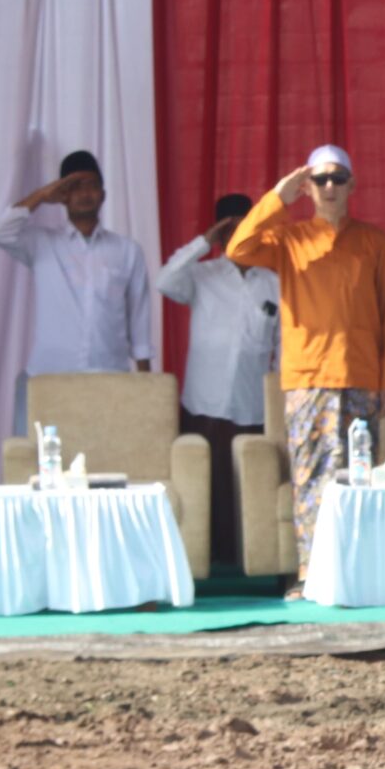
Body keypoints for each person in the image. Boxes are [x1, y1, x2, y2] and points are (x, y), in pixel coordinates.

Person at [228, 145, 385, 589]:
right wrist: (278, 198)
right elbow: (238, 248)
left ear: (352, 185)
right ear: (309, 187)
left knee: (358, 477)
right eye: (321, 179)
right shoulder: (290, 240)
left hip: (360, 375)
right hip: (309, 379)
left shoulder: (373, 241)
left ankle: (357, 573)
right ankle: (313, 573)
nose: (330, 187)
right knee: (311, 479)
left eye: (338, 178)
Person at [157, 192, 283, 572]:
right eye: (230, 228)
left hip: (251, 406)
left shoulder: (274, 283)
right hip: (203, 404)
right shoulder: (201, 275)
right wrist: (205, 240)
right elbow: (164, 280)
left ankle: (247, 564)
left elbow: (283, 345)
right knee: (202, 487)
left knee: (245, 491)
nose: (238, 235)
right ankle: (200, 564)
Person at [0, 150, 151, 432]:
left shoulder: (126, 250)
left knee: (106, 465)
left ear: (103, 193)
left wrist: (146, 383)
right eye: (74, 186)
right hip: (49, 376)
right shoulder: (41, 243)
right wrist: (42, 195)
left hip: (109, 377)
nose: (84, 193)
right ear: (62, 195)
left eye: (90, 184)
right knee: (42, 467)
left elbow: (139, 319)